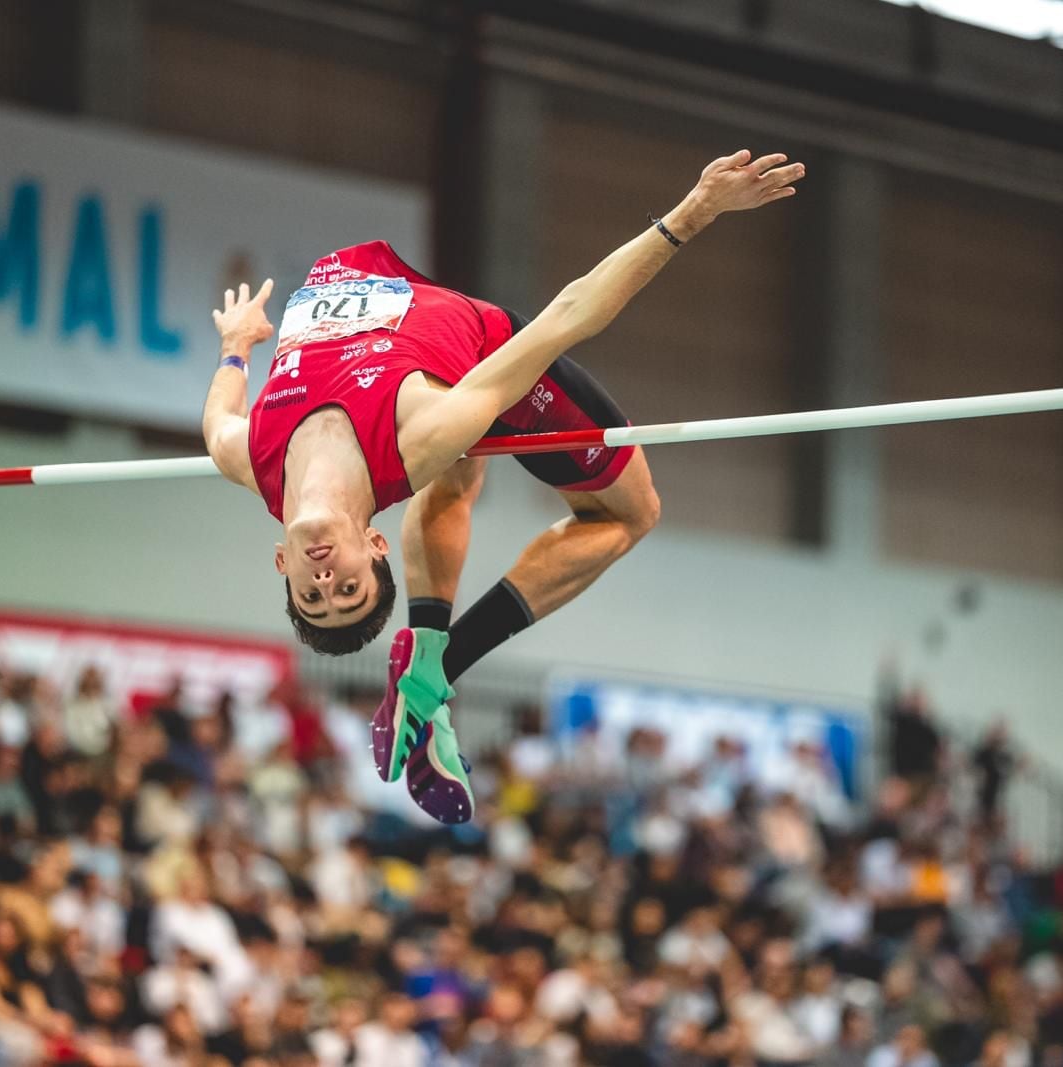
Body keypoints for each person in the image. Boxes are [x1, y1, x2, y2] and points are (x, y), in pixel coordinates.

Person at [202, 149, 806, 823]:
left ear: (282, 562)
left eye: (313, 594)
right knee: (632, 512)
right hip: (482, 354)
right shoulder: (423, 433)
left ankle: (427, 663)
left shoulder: (246, 454)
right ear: (374, 544)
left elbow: (219, 414)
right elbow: (567, 316)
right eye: (348, 588)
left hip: (384, 289)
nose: (326, 579)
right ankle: (441, 662)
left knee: (456, 471)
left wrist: (237, 344)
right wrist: (694, 213)